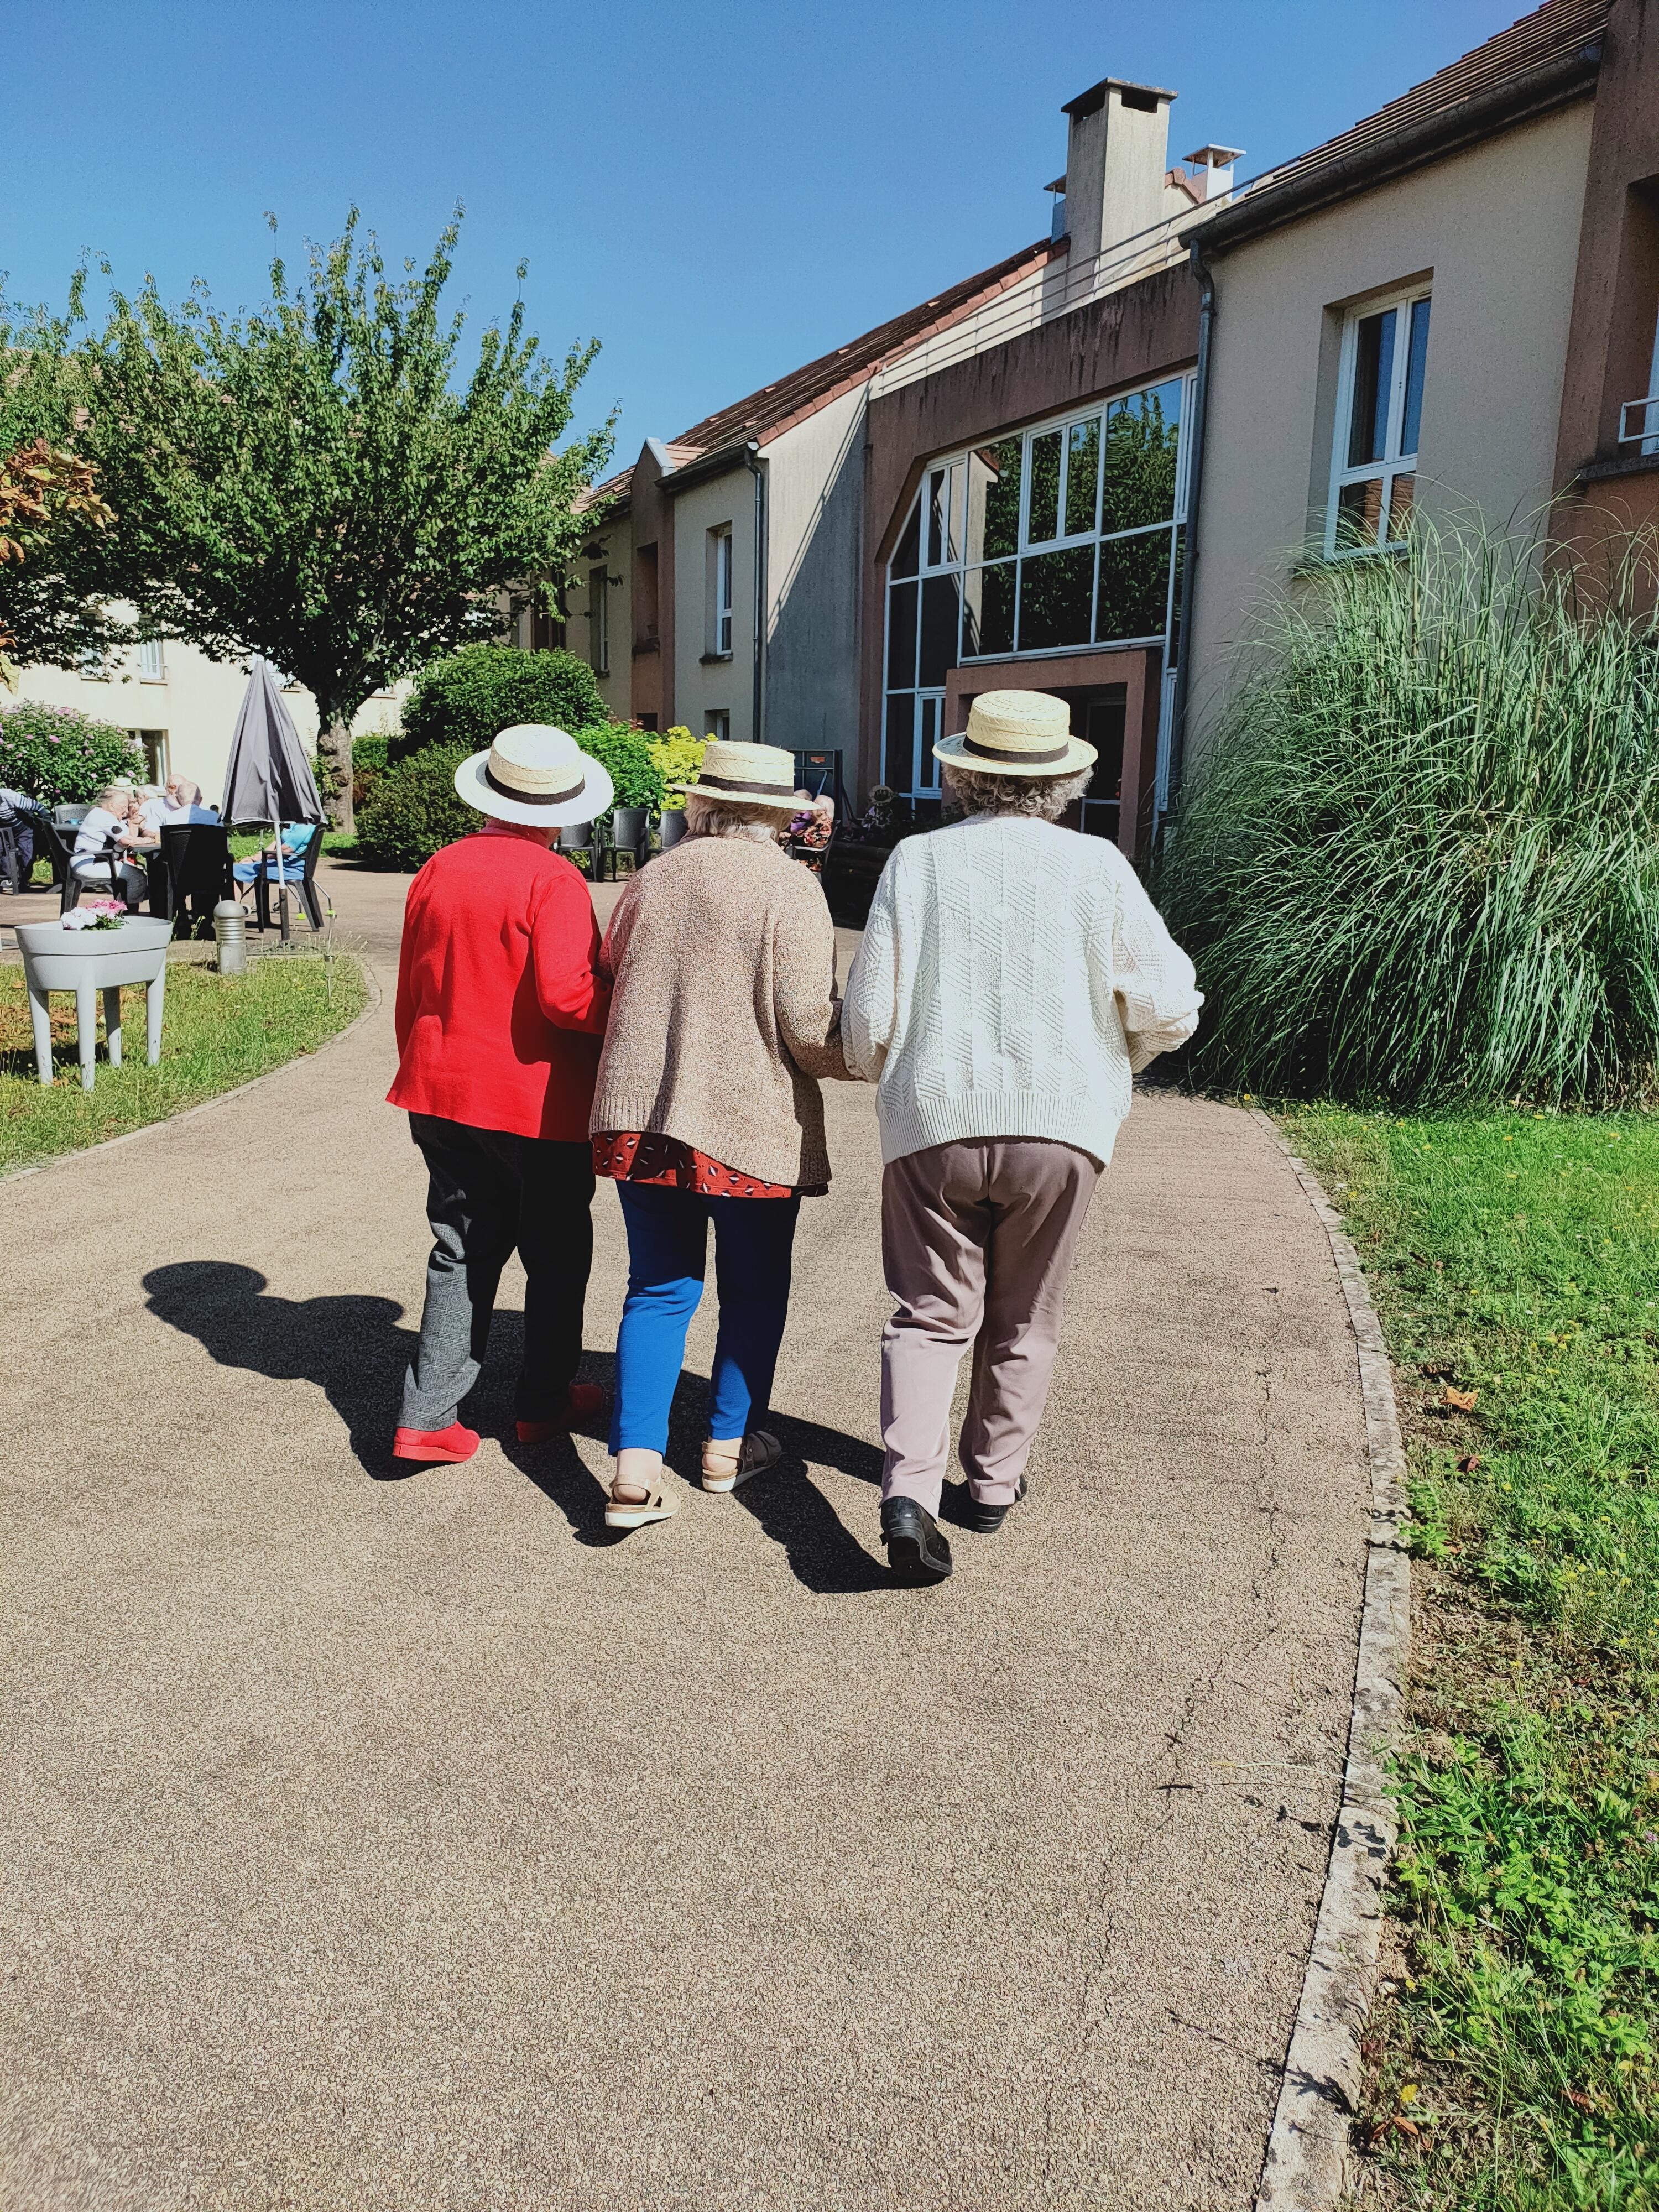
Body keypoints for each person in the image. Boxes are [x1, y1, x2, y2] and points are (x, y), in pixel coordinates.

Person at [843, 689, 1203, 1584]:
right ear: (1068, 780)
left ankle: (909, 1492)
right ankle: (992, 1487)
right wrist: (1121, 1066)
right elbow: (1171, 1005)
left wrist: (882, 1067)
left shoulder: (916, 862)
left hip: (932, 1121)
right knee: (1026, 1315)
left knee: (930, 1316)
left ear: (963, 774)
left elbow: (867, 1021)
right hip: (1062, 1125)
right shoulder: (1100, 869)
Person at [589, 737, 847, 1532]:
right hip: (751, 1123)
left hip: (648, 1116)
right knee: (756, 1290)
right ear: (780, 813)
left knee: (658, 1287)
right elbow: (810, 1029)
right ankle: (727, 1449)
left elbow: (608, 968)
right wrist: (864, 1052)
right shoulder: (792, 889)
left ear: (701, 802)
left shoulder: (653, 876)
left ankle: (634, 1469)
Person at [386, 724, 615, 1467]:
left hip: (439, 1087)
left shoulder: (439, 866)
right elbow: (568, 999)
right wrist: (631, 1004)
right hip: (536, 1103)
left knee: (458, 1247)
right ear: (562, 805)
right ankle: (540, 1405)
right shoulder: (552, 880)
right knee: (555, 1253)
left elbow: (413, 986)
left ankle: (427, 1416)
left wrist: (421, 1063)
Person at [71, 786, 149, 909]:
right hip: (90, 864)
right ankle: (132, 915)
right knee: (137, 876)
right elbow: (126, 840)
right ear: (112, 806)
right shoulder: (105, 817)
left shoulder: (99, 813)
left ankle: (126, 911)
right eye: (123, 807)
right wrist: (148, 840)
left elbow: (125, 841)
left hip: (85, 861)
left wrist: (133, 823)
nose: (125, 812)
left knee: (135, 872)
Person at [234, 820, 316, 890]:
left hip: (291, 868)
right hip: (286, 865)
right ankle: (235, 906)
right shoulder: (296, 823)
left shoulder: (303, 826)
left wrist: (258, 859)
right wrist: (254, 858)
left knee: (235, 870)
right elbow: (277, 842)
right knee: (241, 867)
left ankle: (232, 907)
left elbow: (286, 849)